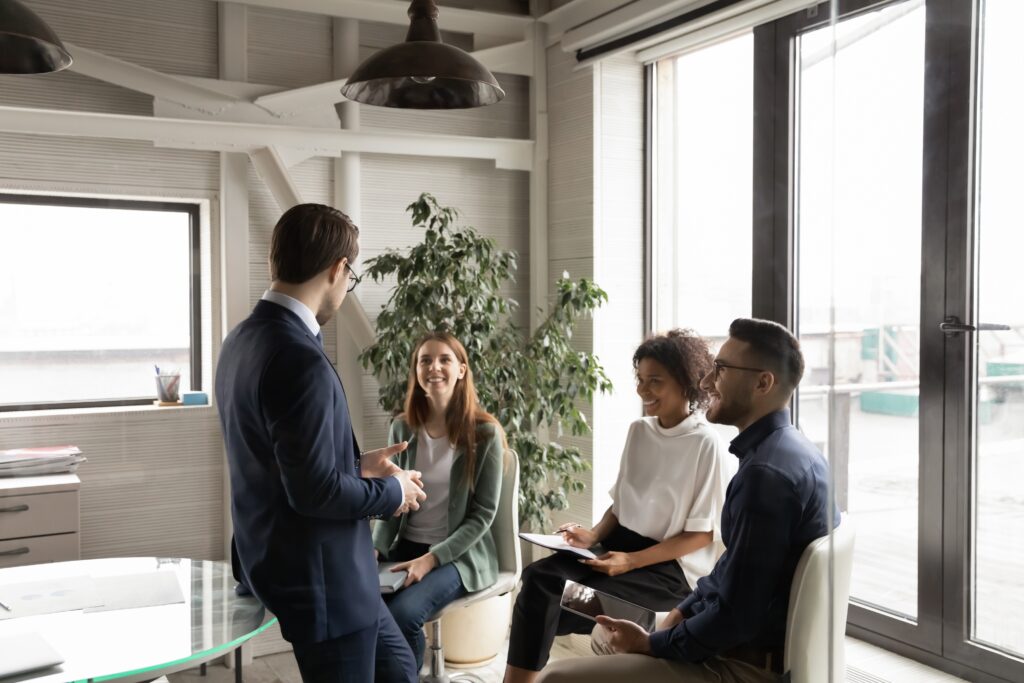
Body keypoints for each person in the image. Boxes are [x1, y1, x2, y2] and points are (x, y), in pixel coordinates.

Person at [537, 318, 841, 683]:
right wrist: (684, 611)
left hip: (742, 664)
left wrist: (656, 644)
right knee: (546, 585)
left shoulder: (765, 476)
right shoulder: (789, 452)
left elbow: (737, 615)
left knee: (557, 678)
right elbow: (735, 569)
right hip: (737, 643)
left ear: (763, 382)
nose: (708, 381)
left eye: (722, 369)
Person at [215, 203, 426, 683]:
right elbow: (314, 493)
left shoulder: (240, 341)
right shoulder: (299, 357)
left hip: (323, 576)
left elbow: (275, 457)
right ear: (338, 270)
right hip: (326, 586)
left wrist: (357, 462)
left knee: (402, 674)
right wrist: (394, 494)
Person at [504, 329, 730, 683]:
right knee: (537, 579)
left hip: (666, 569)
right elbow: (620, 506)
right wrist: (591, 534)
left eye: (655, 381)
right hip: (617, 549)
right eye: (640, 380)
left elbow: (701, 535)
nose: (643, 391)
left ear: (686, 383)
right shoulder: (639, 431)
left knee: (547, 597)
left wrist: (631, 561)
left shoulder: (706, 443)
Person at [373, 331, 508, 677]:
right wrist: (374, 549)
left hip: (456, 556)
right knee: (362, 605)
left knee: (403, 616)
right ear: (416, 372)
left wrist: (432, 559)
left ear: (462, 370)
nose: (434, 367)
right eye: (425, 360)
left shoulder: (485, 433)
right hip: (404, 547)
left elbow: (483, 516)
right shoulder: (402, 428)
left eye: (445, 359)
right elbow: (392, 498)